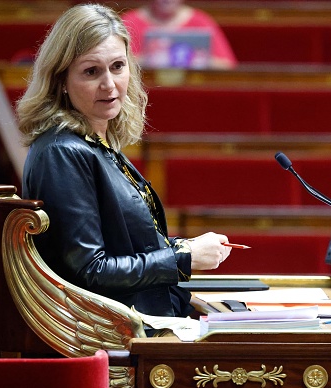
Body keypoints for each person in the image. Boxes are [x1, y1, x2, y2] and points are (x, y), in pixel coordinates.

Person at [16, 3, 232, 320]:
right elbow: (90, 271)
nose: (109, 84)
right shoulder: (62, 151)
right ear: (61, 78)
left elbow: (126, 244)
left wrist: (187, 246)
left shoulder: (94, 141)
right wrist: (183, 257)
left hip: (141, 319)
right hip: (112, 339)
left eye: (118, 66)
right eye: (91, 71)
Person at [122, 0, 237, 69]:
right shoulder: (130, 21)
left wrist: (195, 58)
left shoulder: (201, 21)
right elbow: (118, 64)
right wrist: (151, 58)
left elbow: (227, 66)